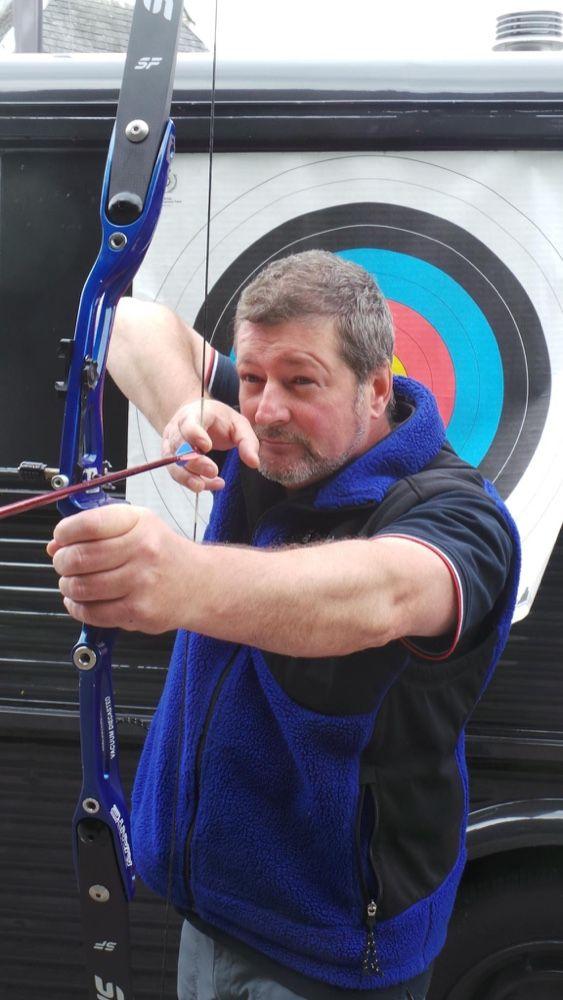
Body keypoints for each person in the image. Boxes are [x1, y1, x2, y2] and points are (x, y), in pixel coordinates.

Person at [47, 251, 520, 1000]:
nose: (267, 409)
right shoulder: (265, 431)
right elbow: (127, 324)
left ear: (375, 388)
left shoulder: (460, 512)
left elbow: (383, 594)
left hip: (331, 955)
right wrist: (186, 408)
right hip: (206, 915)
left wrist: (182, 581)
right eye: (252, 377)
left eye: (301, 382)